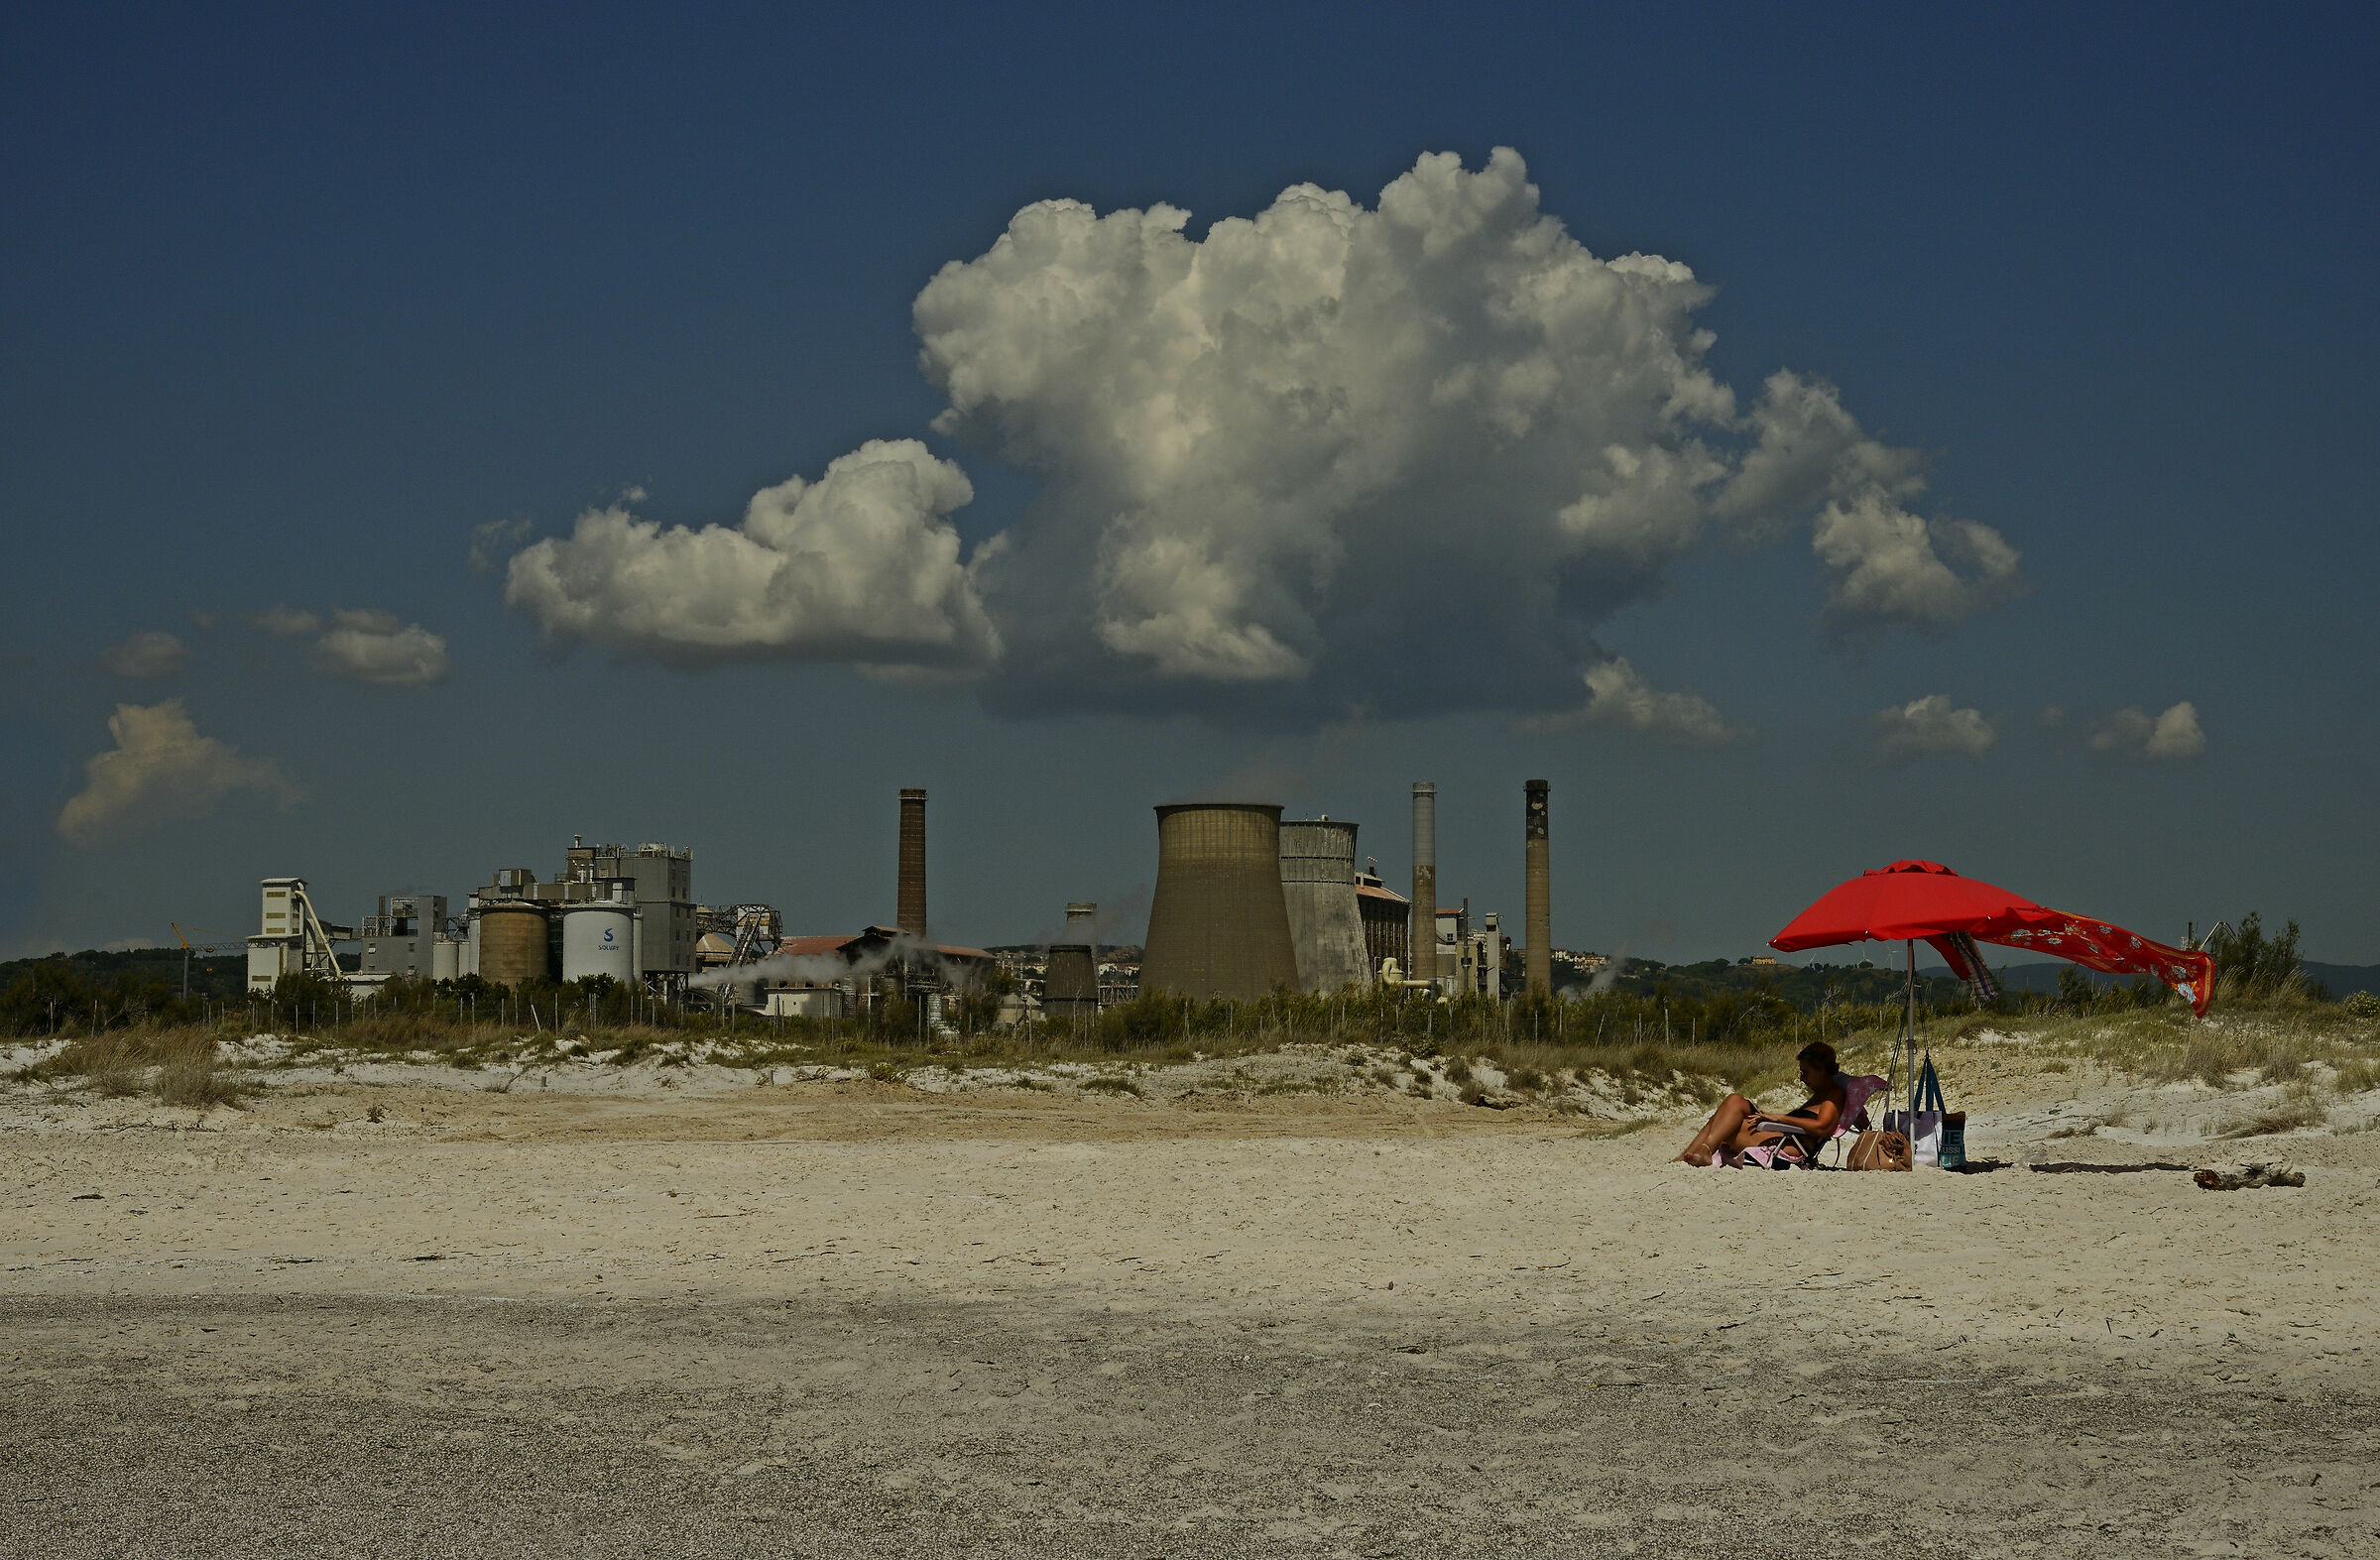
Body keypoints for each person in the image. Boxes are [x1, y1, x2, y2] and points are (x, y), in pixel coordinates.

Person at [1674, 1040, 1847, 1167]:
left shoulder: (1833, 1095)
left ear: (1822, 1070)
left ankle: (1700, 1153)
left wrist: (1778, 1119)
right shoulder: (1820, 1095)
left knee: (1724, 1121)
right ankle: (1693, 1155)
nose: (1801, 1078)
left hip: (1792, 1145)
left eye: (1805, 1073)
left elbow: (1822, 1126)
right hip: (1784, 1136)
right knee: (1734, 1102)